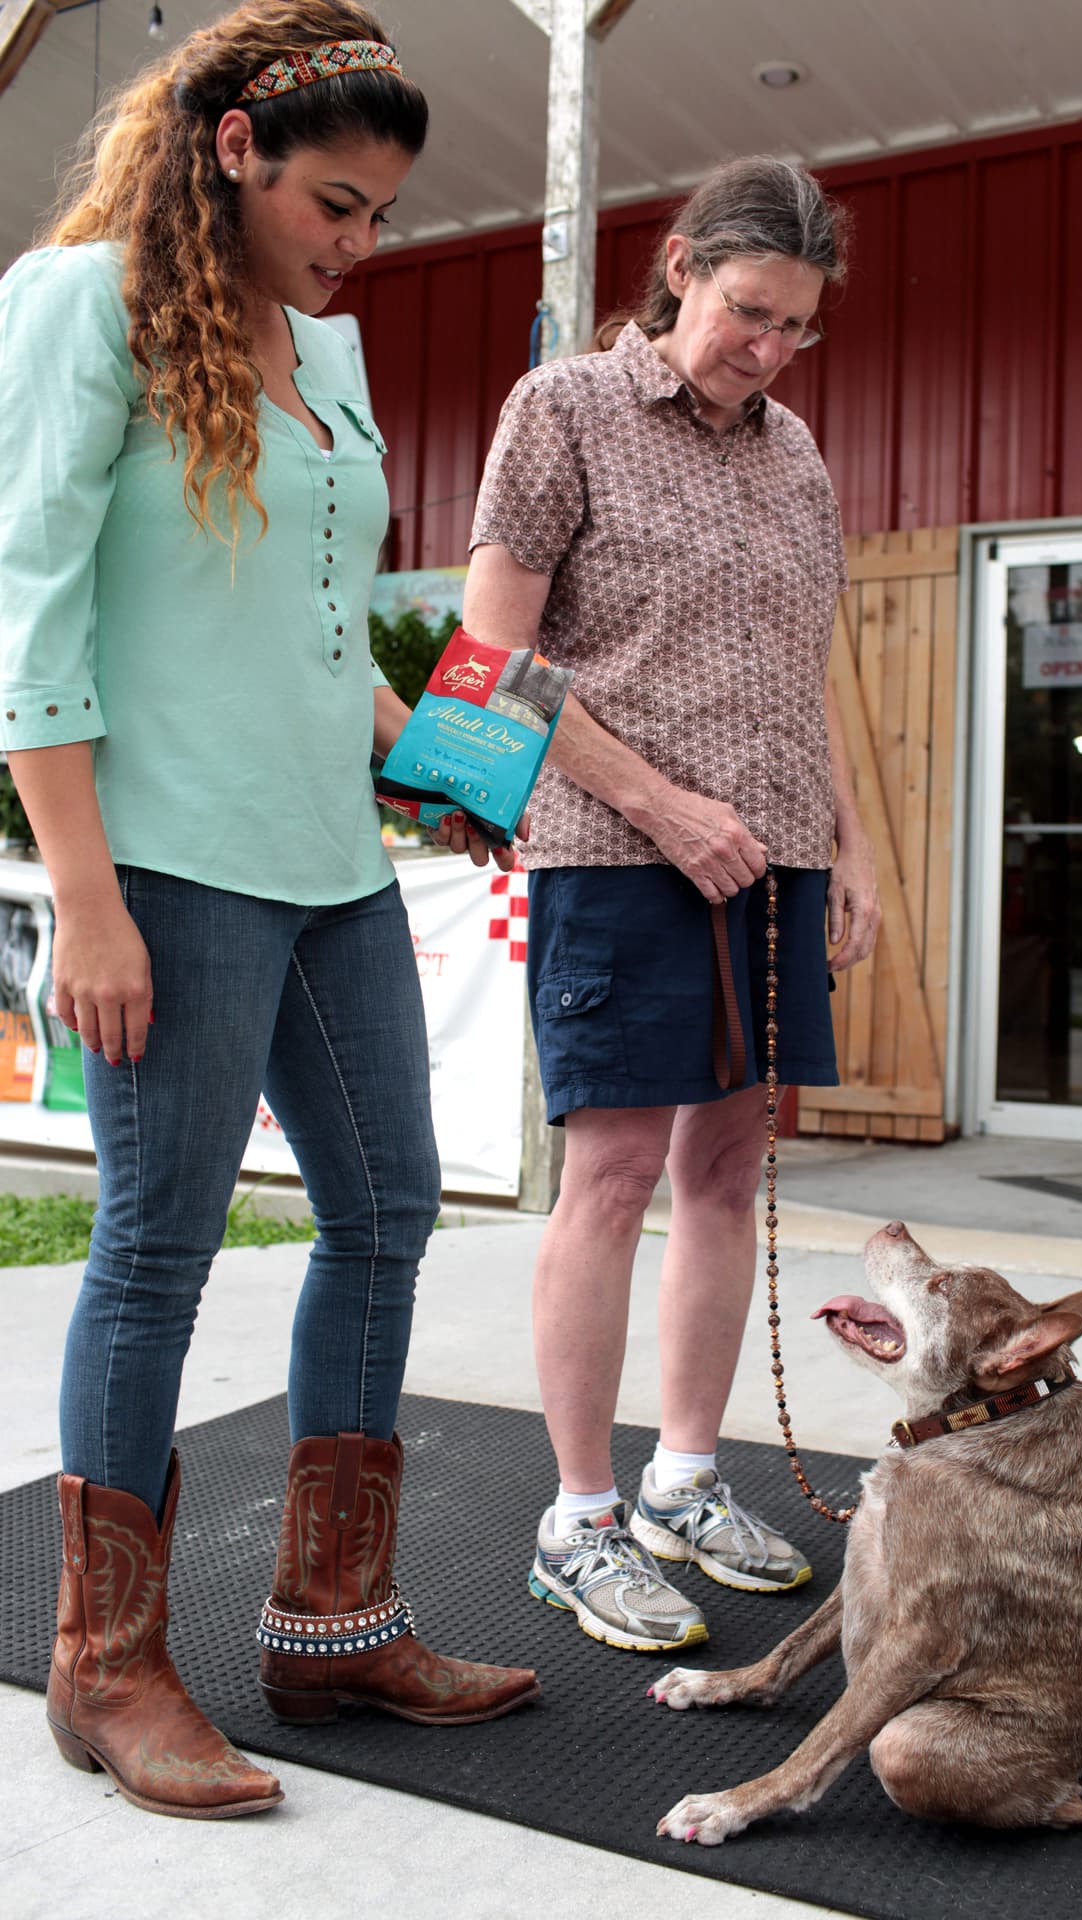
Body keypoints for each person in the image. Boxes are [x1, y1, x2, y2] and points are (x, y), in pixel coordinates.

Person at [0, 0, 538, 1822]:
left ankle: (332, 1622)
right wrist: (83, 893)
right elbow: (32, 621)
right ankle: (107, 1667)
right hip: (162, 864)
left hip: (330, 867)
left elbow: (321, 629)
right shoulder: (75, 307)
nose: (357, 242)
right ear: (230, 147)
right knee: (156, 1244)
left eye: (380, 214)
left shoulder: (331, 344)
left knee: (387, 1211)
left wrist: (446, 768)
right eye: (334, 200)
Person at [460, 155, 881, 1654]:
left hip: (778, 865)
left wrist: (853, 846)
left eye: (797, 328)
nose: (766, 348)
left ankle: (684, 1481)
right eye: (749, 311)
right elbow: (490, 657)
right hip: (616, 855)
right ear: (685, 266)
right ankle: (578, 1518)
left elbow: (799, 669)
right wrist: (658, 802)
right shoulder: (560, 410)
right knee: (619, 1176)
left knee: (727, 1178)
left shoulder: (800, 453)